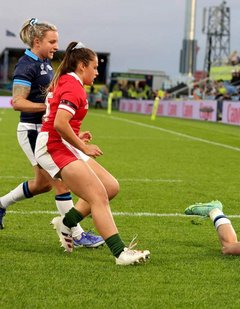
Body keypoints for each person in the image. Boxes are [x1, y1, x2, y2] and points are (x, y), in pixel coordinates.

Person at [34, 41, 150, 265]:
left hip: (63, 143)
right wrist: (82, 145)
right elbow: (59, 123)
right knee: (98, 196)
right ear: (81, 66)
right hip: (54, 146)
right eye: (94, 67)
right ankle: (120, 253)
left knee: (110, 187)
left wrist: (77, 136)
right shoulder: (72, 85)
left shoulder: (71, 82)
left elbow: (61, 120)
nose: (97, 72)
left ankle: (66, 223)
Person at [0, 18, 104, 247]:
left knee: (42, 184)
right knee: (61, 183)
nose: (57, 46)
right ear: (37, 42)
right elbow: (17, 102)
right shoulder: (26, 65)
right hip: (33, 130)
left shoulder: (45, 63)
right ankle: (75, 234)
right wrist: (50, 110)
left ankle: (0, 204)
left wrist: (72, 129)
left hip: (46, 129)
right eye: (52, 41)